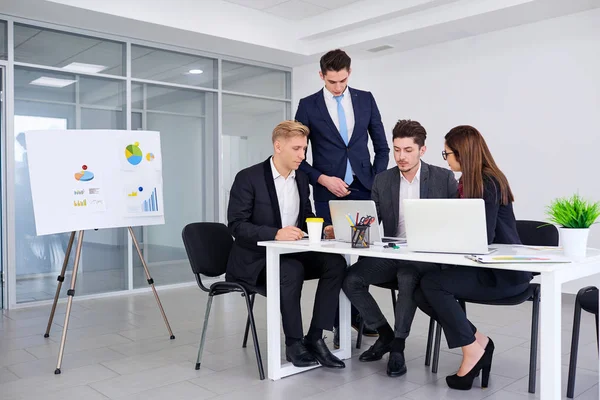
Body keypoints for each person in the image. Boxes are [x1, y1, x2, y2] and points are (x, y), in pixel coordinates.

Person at [415, 125, 532, 390]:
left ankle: (471, 351)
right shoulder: (470, 181)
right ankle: (478, 342)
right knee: (422, 290)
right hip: (483, 267)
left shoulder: (488, 182)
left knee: (432, 284)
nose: (445, 159)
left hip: (503, 273)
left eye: (447, 154)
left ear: (461, 153)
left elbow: (482, 237)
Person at [341, 120, 458, 377]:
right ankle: (385, 334)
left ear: (422, 150)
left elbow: (454, 224)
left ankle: (398, 347)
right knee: (351, 279)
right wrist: (347, 228)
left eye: (408, 150)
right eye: (396, 150)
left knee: (407, 277)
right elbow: (371, 220)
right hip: (394, 252)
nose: (401, 156)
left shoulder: (443, 177)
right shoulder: (383, 180)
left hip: (428, 257)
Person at [226, 120, 347, 369]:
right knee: (291, 270)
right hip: (255, 260)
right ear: (278, 146)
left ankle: (315, 338)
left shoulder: (301, 179)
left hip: (291, 253)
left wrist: (324, 229)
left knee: (335, 263)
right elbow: (236, 225)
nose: (302, 155)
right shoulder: (248, 178)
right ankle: (294, 343)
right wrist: (275, 233)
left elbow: (306, 218)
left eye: (304, 149)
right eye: (297, 149)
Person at [295, 48, 389, 336]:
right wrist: (322, 179)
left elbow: (382, 147)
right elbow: (299, 158)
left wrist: (374, 181)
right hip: (327, 193)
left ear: (349, 74)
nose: (338, 88)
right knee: (333, 258)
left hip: (362, 190)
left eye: (343, 81)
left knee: (361, 257)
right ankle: (336, 318)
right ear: (321, 75)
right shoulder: (308, 106)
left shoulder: (365, 99)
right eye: (332, 82)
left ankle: (358, 314)